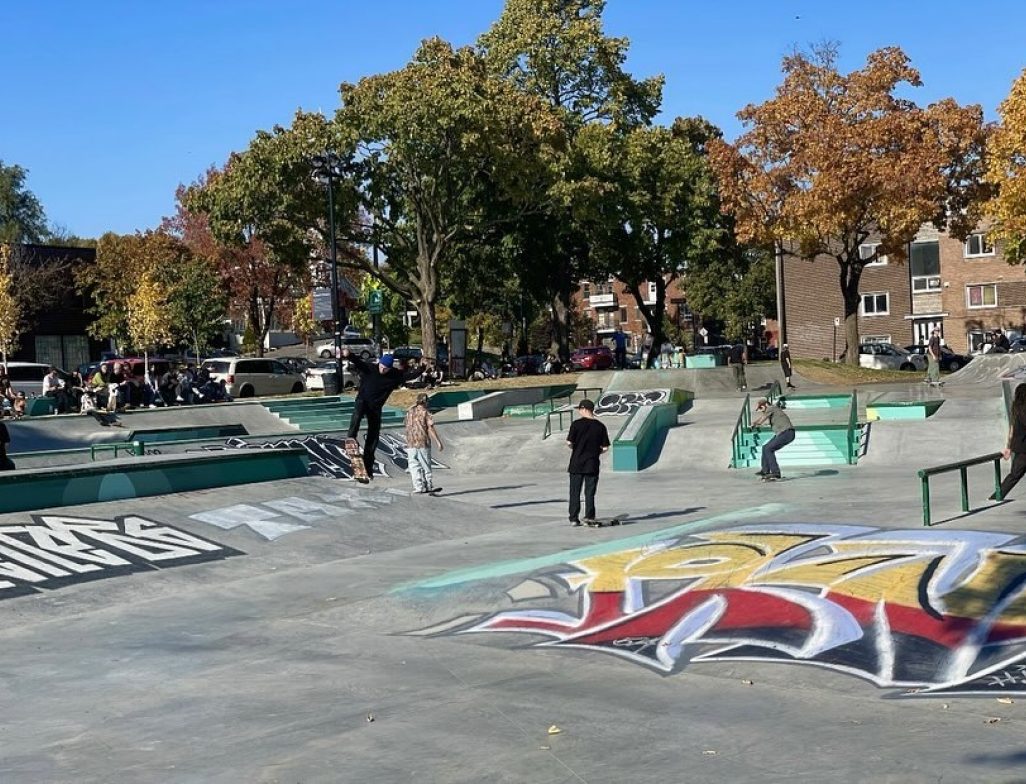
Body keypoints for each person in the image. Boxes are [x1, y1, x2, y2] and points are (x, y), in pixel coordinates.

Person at [343, 349, 405, 478]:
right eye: (382, 367)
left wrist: (421, 368)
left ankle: (368, 468)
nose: (383, 370)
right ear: (379, 363)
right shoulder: (370, 368)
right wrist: (349, 355)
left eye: (386, 368)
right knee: (358, 411)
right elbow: (358, 362)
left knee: (373, 437)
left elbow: (409, 375)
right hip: (363, 401)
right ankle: (351, 435)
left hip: (375, 408)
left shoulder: (394, 375)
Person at [566, 398, 610, 526]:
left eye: (580, 409)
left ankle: (574, 518)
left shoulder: (576, 424)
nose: (579, 412)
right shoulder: (600, 426)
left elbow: (569, 443)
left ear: (584, 409)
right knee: (589, 492)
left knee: (575, 492)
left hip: (576, 463)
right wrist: (596, 452)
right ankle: (589, 516)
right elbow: (606, 447)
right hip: (592, 464)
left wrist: (577, 449)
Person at [404, 392, 444, 494]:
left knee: (414, 466)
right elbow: (430, 428)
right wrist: (438, 442)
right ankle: (428, 485)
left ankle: (418, 487)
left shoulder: (409, 412)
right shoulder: (426, 413)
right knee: (425, 465)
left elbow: (406, 424)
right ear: (425, 402)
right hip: (423, 442)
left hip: (411, 442)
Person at [993, 383, 1026, 501]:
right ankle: (996, 496)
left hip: (1019, 447)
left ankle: (997, 495)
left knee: (1014, 475)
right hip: (1023, 449)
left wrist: (1008, 447)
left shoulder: (1016, 408)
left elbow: (1012, 429)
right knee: (1015, 474)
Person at [752, 398, 795, 481]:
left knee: (768, 448)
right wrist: (755, 423)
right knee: (765, 447)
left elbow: (762, 419)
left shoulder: (771, 408)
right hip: (783, 433)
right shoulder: (773, 412)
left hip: (787, 433)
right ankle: (765, 471)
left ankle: (776, 472)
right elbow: (763, 418)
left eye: (761, 408)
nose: (761, 411)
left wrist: (755, 424)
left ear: (765, 405)